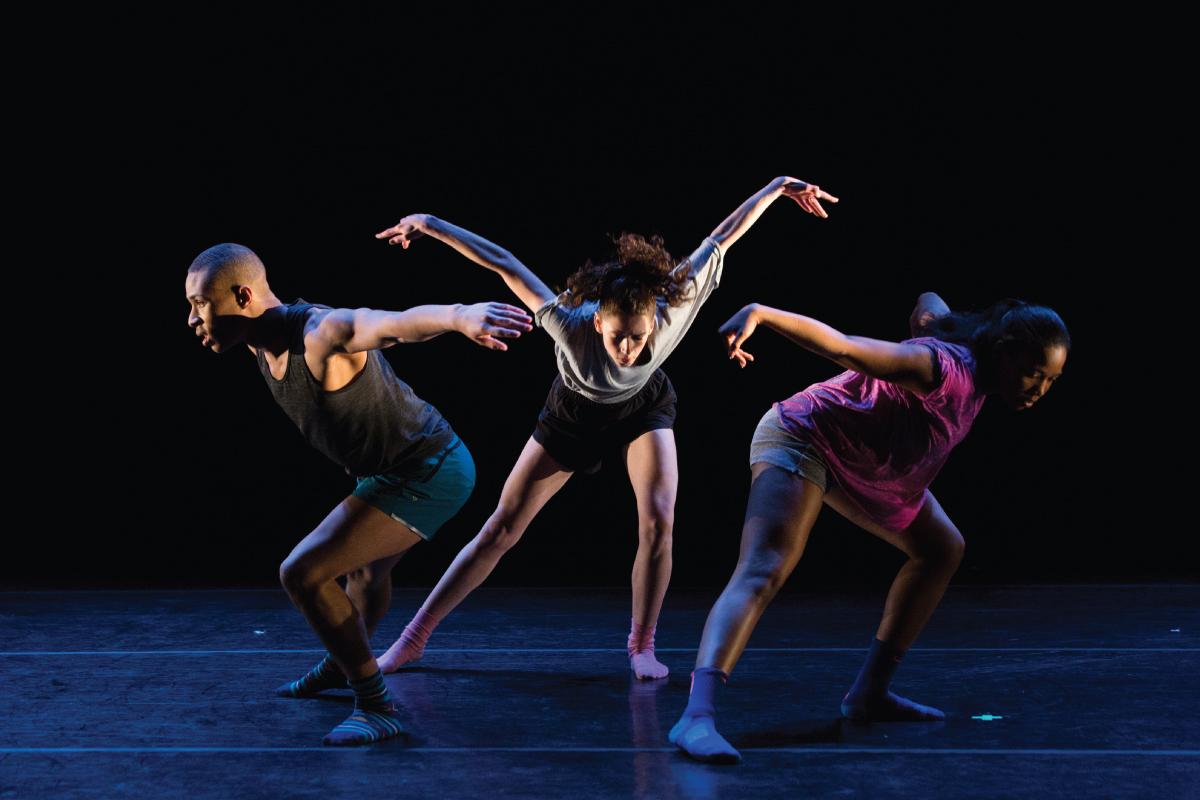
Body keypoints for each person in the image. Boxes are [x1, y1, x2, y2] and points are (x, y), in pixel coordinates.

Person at [371, 176, 839, 680]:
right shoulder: (570, 321)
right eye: (618, 338)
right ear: (598, 324)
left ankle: (642, 646)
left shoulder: (674, 304)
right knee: (500, 529)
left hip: (644, 407)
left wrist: (774, 189)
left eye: (638, 339)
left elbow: (721, 237)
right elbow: (503, 262)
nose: (628, 349)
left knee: (659, 520)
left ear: (653, 323)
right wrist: (432, 224)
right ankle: (413, 638)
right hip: (573, 414)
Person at [670, 293, 1070, 762]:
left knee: (942, 549)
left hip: (870, 466)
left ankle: (869, 695)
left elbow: (929, 301)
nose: (1039, 389)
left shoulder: (971, 363)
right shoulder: (936, 367)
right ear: (1003, 349)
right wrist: (763, 314)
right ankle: (695, 717)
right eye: (1033, 373)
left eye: (1051, 380)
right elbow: (842, 347)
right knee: (766, 565)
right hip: (807, 436)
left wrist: (931, 318)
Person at [184, 243, 532, 746]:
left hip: (430, 470)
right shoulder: (259, 341)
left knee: (303, 573)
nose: (193, 317)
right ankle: (343, 665)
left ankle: (375, 705)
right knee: (366, 575)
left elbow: (387, 324)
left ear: (242, 295)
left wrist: (460, 316)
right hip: (390, 472)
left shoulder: (319, 333)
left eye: (200, 303)